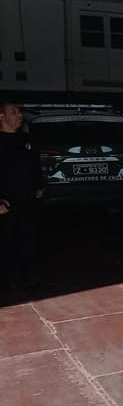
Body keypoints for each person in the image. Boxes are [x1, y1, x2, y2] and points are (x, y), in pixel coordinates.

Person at [0, 102, 44, 288]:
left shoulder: (26, 139)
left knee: (27, 239)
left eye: (19, 112)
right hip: (5, 203)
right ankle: (5, 281)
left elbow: (35, 165)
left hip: (27, 199)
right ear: (1, 116)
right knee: (5, 242)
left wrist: (39, 187)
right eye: (14, 112)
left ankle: (29, 279)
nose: (19, 115)